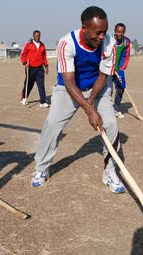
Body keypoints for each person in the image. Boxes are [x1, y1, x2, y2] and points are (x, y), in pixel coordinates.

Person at [31, 6, 125, 194]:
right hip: (69, 88)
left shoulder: (109, 43)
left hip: (97, 87)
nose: (101, 36)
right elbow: (68, 81)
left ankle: (109, 172)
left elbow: (102, 76)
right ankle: (41, 169)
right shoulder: (67, 43)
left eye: (104, 31)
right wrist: (90, 110)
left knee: (112, 126)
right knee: (52, 125)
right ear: (84, 28)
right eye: (98, 32)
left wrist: (91, 105)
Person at [20, 30, 49, 107]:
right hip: (30, 68)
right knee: (28, 84)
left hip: (40, 69)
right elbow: (23, 55)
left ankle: (43, 102)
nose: (37, 37)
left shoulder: (42, 45)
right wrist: (25, 63)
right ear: (33, 36)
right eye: (36, 36)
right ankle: (23, 98)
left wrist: (46, 66)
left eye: (38, 36)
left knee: (41, 85)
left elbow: (44, 56)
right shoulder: (28, 44)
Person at [112, 23, 131, 119]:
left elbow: (125, 56)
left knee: (121, 88)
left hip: (118, 69)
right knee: (106, 90)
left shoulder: (126, 42)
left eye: (122, 32)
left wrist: (121, 69)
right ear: (115, 31)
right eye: (118, 32)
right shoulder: (108, 40)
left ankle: (115, 108)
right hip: (107, 69)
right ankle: (104, 110)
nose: (120, 34)